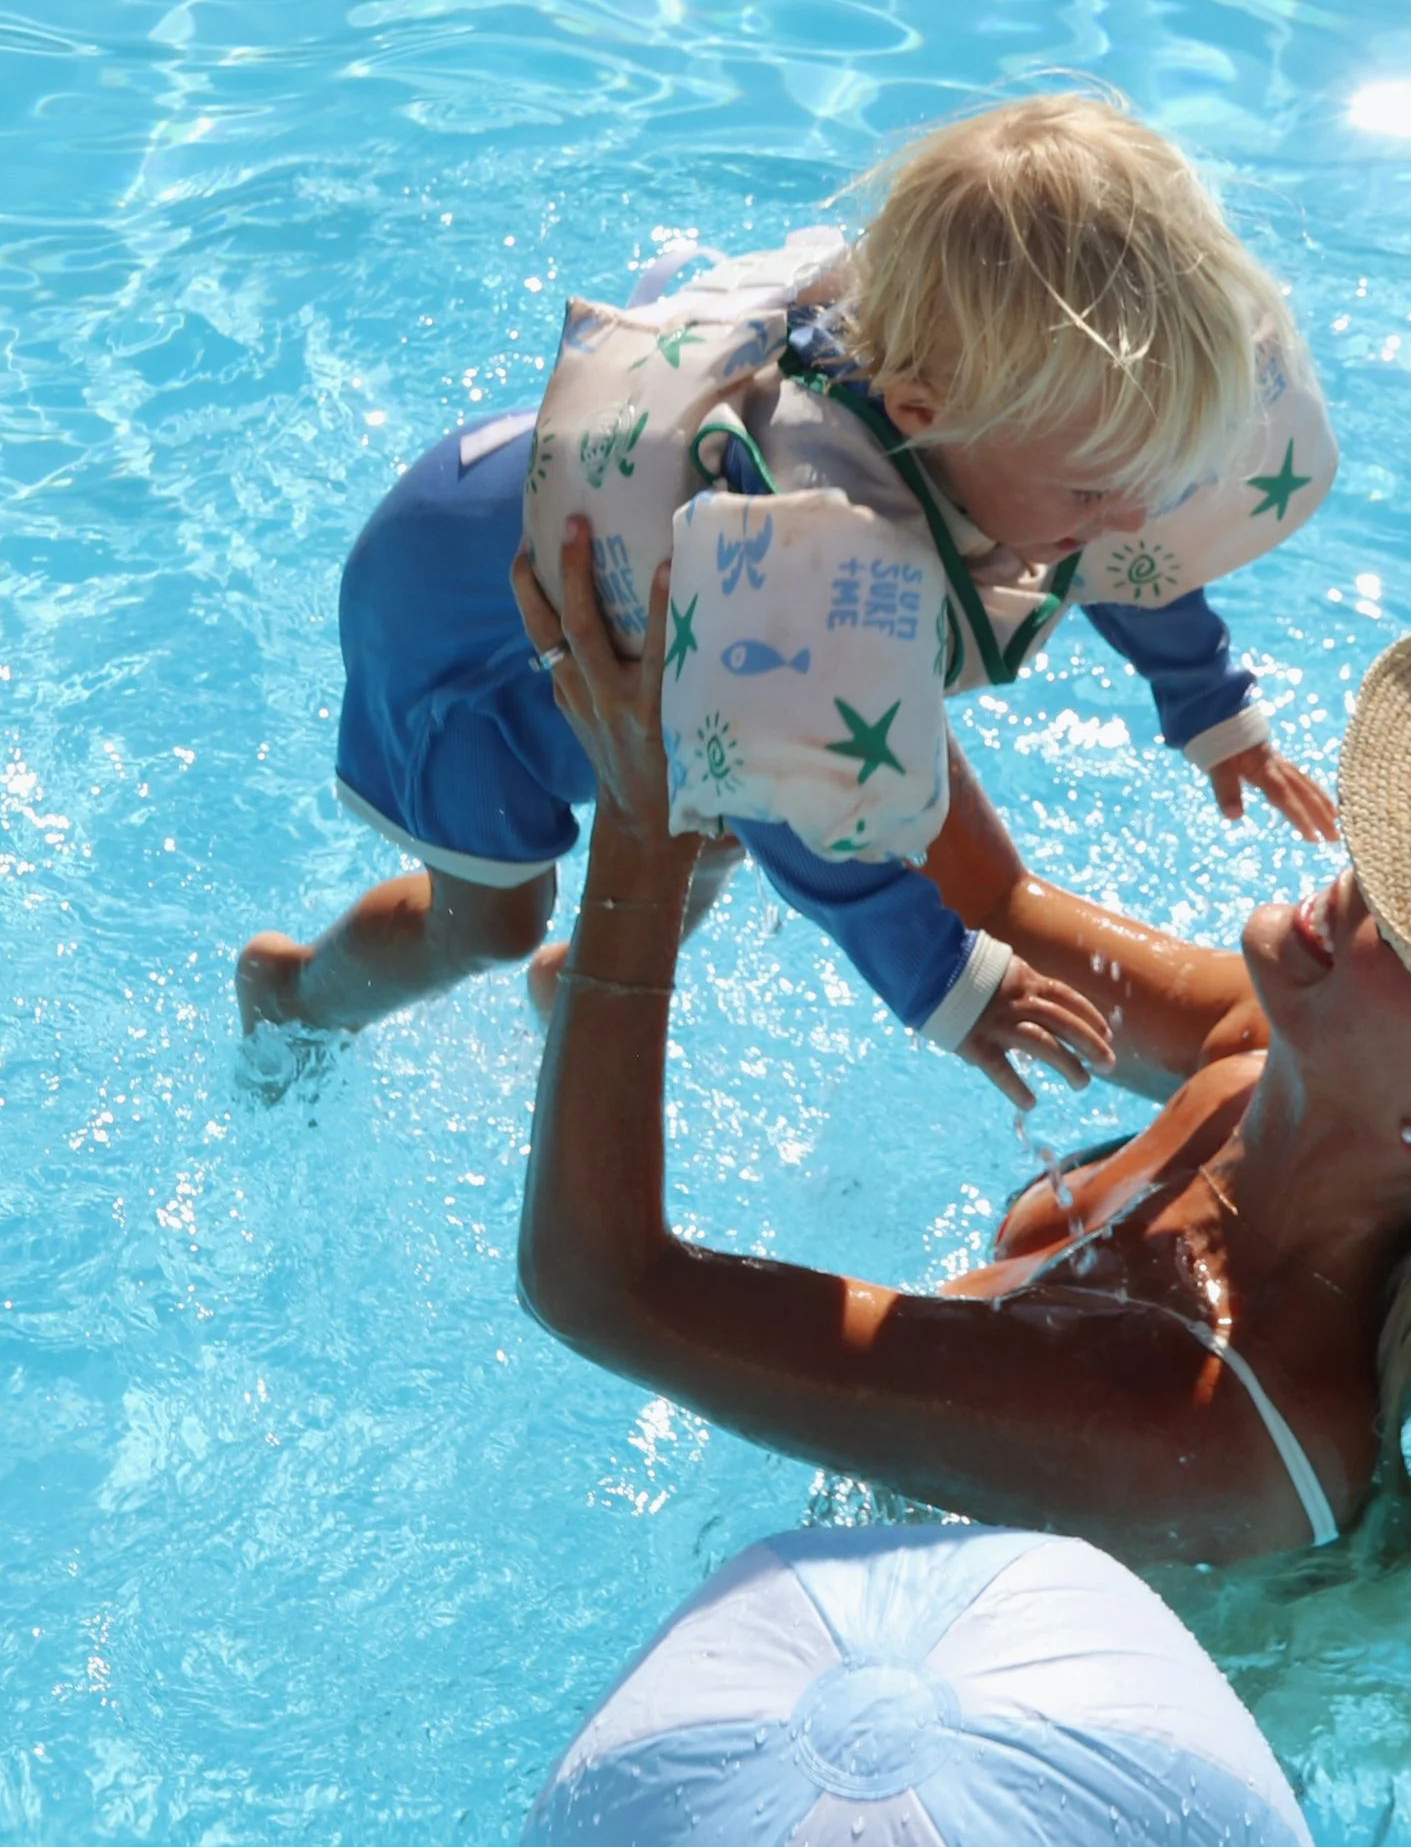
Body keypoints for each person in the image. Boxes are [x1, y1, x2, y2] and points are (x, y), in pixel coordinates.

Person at [511, 519, 1411, 1568]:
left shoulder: (1186, 1420)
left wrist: (636, 831)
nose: (1377, 870)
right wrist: (836, 594)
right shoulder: (1266, 1060)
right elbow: (991, 907)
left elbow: (605, 1288)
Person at [238, 94, 1339, 1097]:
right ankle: (294, 991)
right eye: (1098, 487)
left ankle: (578, 977)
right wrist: (946, 980)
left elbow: (1101, 552)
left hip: (667, 603)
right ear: (915, 412)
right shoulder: (815, 519)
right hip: (465, 631)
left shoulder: (1014, 430)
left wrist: (1208, 705)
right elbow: (806, 822)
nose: (1134, 516)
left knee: (704, 824)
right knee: (490, 916)